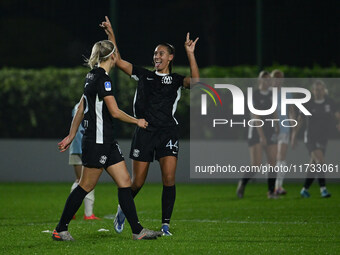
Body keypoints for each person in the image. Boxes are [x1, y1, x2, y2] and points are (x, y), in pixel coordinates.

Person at [53, 39, 162, 241]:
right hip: (98, 141)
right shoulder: (103, 79)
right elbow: (114, 111)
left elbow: (80, 108)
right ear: (112, 56)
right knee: (86, 185)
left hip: (107, 141)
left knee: (125, 182)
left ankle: (138, 231)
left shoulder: (90, 76)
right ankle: (60, 229)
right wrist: (137, 121)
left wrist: (71, 135)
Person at [100, 16, 199, 236]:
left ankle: (165, 226)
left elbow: (197, 83)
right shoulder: (143, 75)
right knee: (137, 183)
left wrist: (191, 54)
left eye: (161, 53)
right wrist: (111, 34)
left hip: (168, 132)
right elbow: (116, 59)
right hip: (145, 131)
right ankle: (122, 210)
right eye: (155, 53)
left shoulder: (176, 80)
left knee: (169, 179)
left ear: (170, 57)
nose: (157, 56)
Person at [291, 80, 339, 198]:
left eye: (321, 89)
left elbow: (338, 116)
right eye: (316, 89)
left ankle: (304, 189)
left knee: (314, 165)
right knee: (320, 161)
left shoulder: (330, 102)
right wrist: (294, 136)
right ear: (313, 91)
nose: (319, 92)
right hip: (311, 137)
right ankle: (323, 189)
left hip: (323, 138)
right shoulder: (308, 103)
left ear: (324, 90)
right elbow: (300, 120)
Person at [236, 71, 278, 199]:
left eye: (268, 79)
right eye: (264, 79)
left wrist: (277, 126)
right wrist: (262, 136)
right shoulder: (254, 95)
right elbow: (256, 116)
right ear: (259, 81)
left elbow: (274, 112)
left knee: (272, 162)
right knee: (256, 165)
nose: (267, 82)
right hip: (256, 131)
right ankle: (242, 183)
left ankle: (271, 192)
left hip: (270, 131)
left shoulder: (272, 95)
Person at [68, 103, 99, 220]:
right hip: (86, 146)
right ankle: (88, 214)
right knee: (87, 180)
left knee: (79, 180)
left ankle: (71, 212)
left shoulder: (76, 106)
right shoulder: (91, 106)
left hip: (75, 147)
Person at [271, 70, 296, 195]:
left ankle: (278, 186)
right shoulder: (268, 93)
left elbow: (291, 111)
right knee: (272, 158)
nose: (278, 80)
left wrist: (293, 129)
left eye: (280, 78)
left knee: (281, 156)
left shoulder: (287, 93)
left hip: (283, 128)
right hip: (269, 128)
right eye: (276, 78)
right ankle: (272, 187)